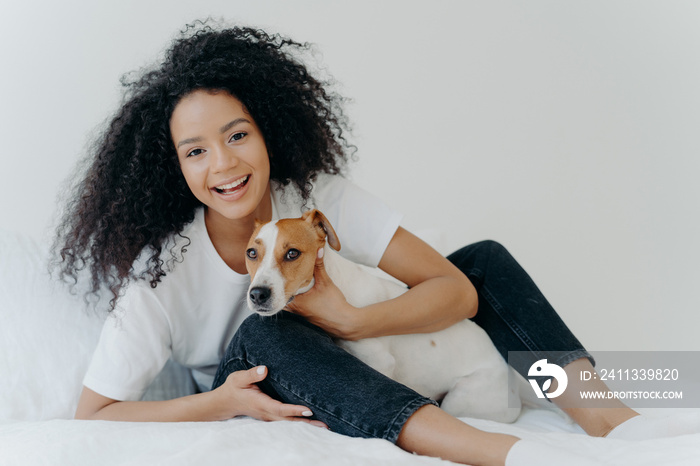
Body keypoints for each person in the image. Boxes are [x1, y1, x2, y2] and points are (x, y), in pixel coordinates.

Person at [53, 22, 699, 466]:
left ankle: (610, 421)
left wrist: (354, 319)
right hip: (264, 377)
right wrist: (221, 402)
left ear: (268, 130)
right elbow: (96, 413)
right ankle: (498, 451)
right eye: (195, 151)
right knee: (264, 332)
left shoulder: (317, 198)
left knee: (485, 259)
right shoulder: (161, 274)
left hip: (358, 355)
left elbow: (459, 289)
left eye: (237, 135)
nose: (223, 164)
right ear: (174, 167)